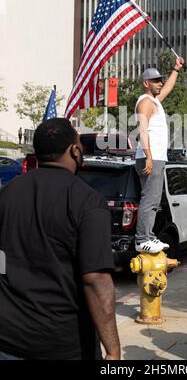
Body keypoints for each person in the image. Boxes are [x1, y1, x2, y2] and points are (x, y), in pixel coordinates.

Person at [0, 118, 120, 360]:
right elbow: (96, 280)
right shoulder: (88, 201)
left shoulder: (8, 193)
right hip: (62, 345)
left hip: (6, 339)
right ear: (75, 151)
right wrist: (113, 350)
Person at [135, 57, 185, 253]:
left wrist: (176, 69)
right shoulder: (145, 102)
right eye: (156, 81)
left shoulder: (154, 100)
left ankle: (147, 236)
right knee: (150, 199)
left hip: (155, 157)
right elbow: (142, 129)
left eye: (160, 80)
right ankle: (142, 239)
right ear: (146, 83)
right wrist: (148, 155)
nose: (160, 83)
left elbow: (168, 88)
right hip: (150, 157)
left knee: (154, 200)